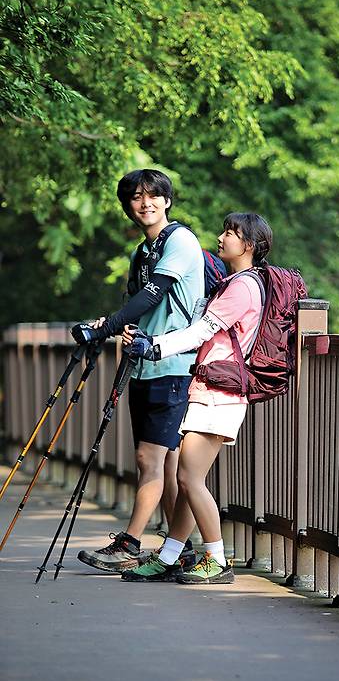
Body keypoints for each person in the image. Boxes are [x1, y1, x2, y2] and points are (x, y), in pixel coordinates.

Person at [119, 212, 272, 586]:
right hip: (207, 390)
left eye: (230, 233)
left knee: (188, 477)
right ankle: (171, 556)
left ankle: (216, 560)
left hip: (219, 394)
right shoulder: (233, 281)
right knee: (190, 478)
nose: (221, 238)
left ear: (248, 245)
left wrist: (152, 347)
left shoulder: (243, 287)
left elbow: (201, 331)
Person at [71, 168, 204, 573]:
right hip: (144, 367)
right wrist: (110, 326)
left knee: (150, 458)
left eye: (153, 195)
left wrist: (108, 328)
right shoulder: (141, 253)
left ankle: (130, 544)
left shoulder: (180, 241)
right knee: (163, 463)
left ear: (167, 200)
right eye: (135, 197)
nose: (144, 203)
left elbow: (152, 295)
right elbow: (134, 308)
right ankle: (177, 552)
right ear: (127, 206)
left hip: (174, 366)